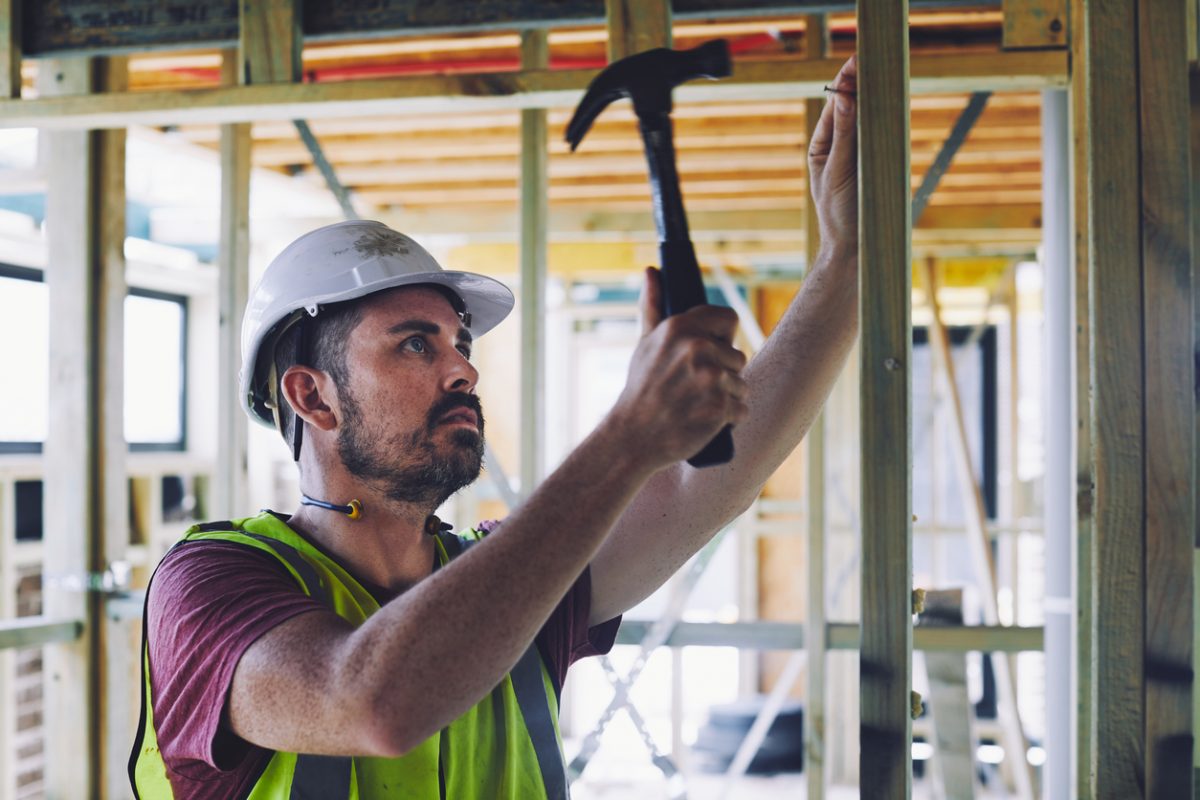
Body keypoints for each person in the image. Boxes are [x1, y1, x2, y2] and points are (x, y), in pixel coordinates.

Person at [130, 56, 860, 799]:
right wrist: (628, 436)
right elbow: (371, 703)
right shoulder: (212, 584)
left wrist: (847, 260)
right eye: (416, 344)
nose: (463, 372)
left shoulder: (511, 581)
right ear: (313, 399)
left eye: (461, 344)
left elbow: (711, 483)